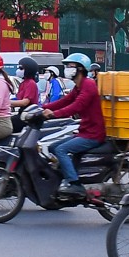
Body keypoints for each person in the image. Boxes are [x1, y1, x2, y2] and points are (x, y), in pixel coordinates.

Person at [44, 61, 106, 197]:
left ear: (80, 69)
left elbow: (76, 106)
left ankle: (75, 184)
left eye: (70, 66)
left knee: (61, 150)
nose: (67, 69)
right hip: (85, 131)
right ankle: (66, 175)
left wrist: (54, 114)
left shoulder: (88, 85)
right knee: (53, 147)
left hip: (93, 134)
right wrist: (41, 108)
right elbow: (65, 101)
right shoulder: (78, 86)